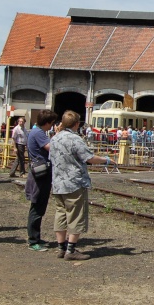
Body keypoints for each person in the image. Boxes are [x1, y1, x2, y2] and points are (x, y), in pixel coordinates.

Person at [50, 110, 112, 261]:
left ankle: (61, 247)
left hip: (58, 183)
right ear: (76, 124)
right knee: (76, 215)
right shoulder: (75, 139)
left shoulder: (54, 139)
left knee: (61, 214)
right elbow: (89, 158)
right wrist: (106, 160)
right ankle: (71, 250)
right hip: (74, 183)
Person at [25, 109, 58, 252]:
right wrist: (58, 135)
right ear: (48, 122)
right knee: (37, 207)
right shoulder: (38, 133)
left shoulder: (36, 131)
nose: (52, 126)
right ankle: (33, 240)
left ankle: (35, 237)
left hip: (39, 172)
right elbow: (51, 147)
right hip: (41, 174)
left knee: (38, 207)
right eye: (52, 123)